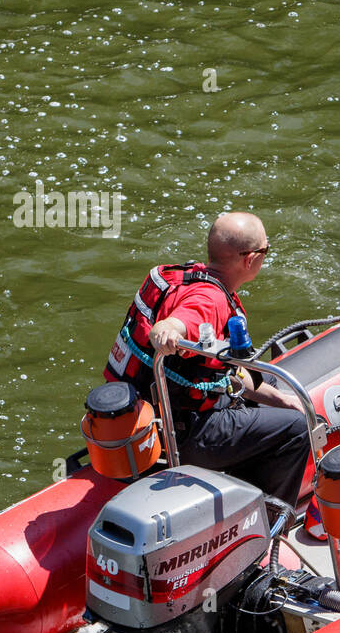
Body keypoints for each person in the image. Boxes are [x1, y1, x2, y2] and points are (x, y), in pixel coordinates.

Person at [104, 212, 311, 506]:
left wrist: (279, 399)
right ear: (250, 260)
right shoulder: (209, 301)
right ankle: (263, 516)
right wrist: (166, 332)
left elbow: (225, 373)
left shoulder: (181, 277)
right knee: (296, 429)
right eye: (266, 251)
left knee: (266, 383)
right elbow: (179, 323)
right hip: (183, 436)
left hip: (153, 416)